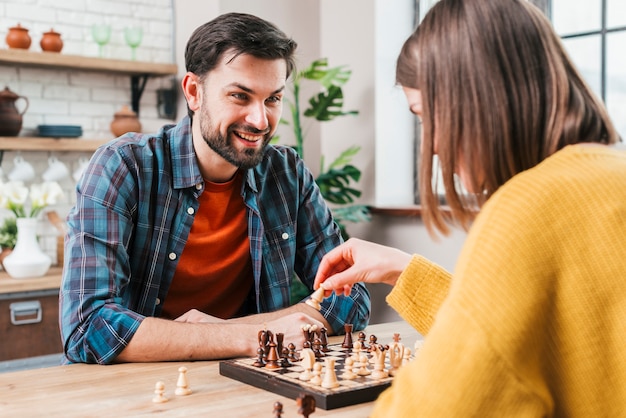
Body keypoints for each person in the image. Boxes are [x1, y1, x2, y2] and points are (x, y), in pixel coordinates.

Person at [314, 0, 626, 416]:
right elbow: (525, 335)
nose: (436, 146)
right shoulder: (611, 175)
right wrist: (403, 270)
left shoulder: (528, 208)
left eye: (426, 116)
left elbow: (443, 405)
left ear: (475, 99)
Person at [59, 12, 370, 365]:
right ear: (194, 91)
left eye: (273, 99)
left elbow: (350, 297)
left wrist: (234, 333)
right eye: (240, 96)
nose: (260, 120)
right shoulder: (123, 166)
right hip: (135, 388)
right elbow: (88, 326)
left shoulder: (287, 174)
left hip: (246, 379)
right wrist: (255, 335)